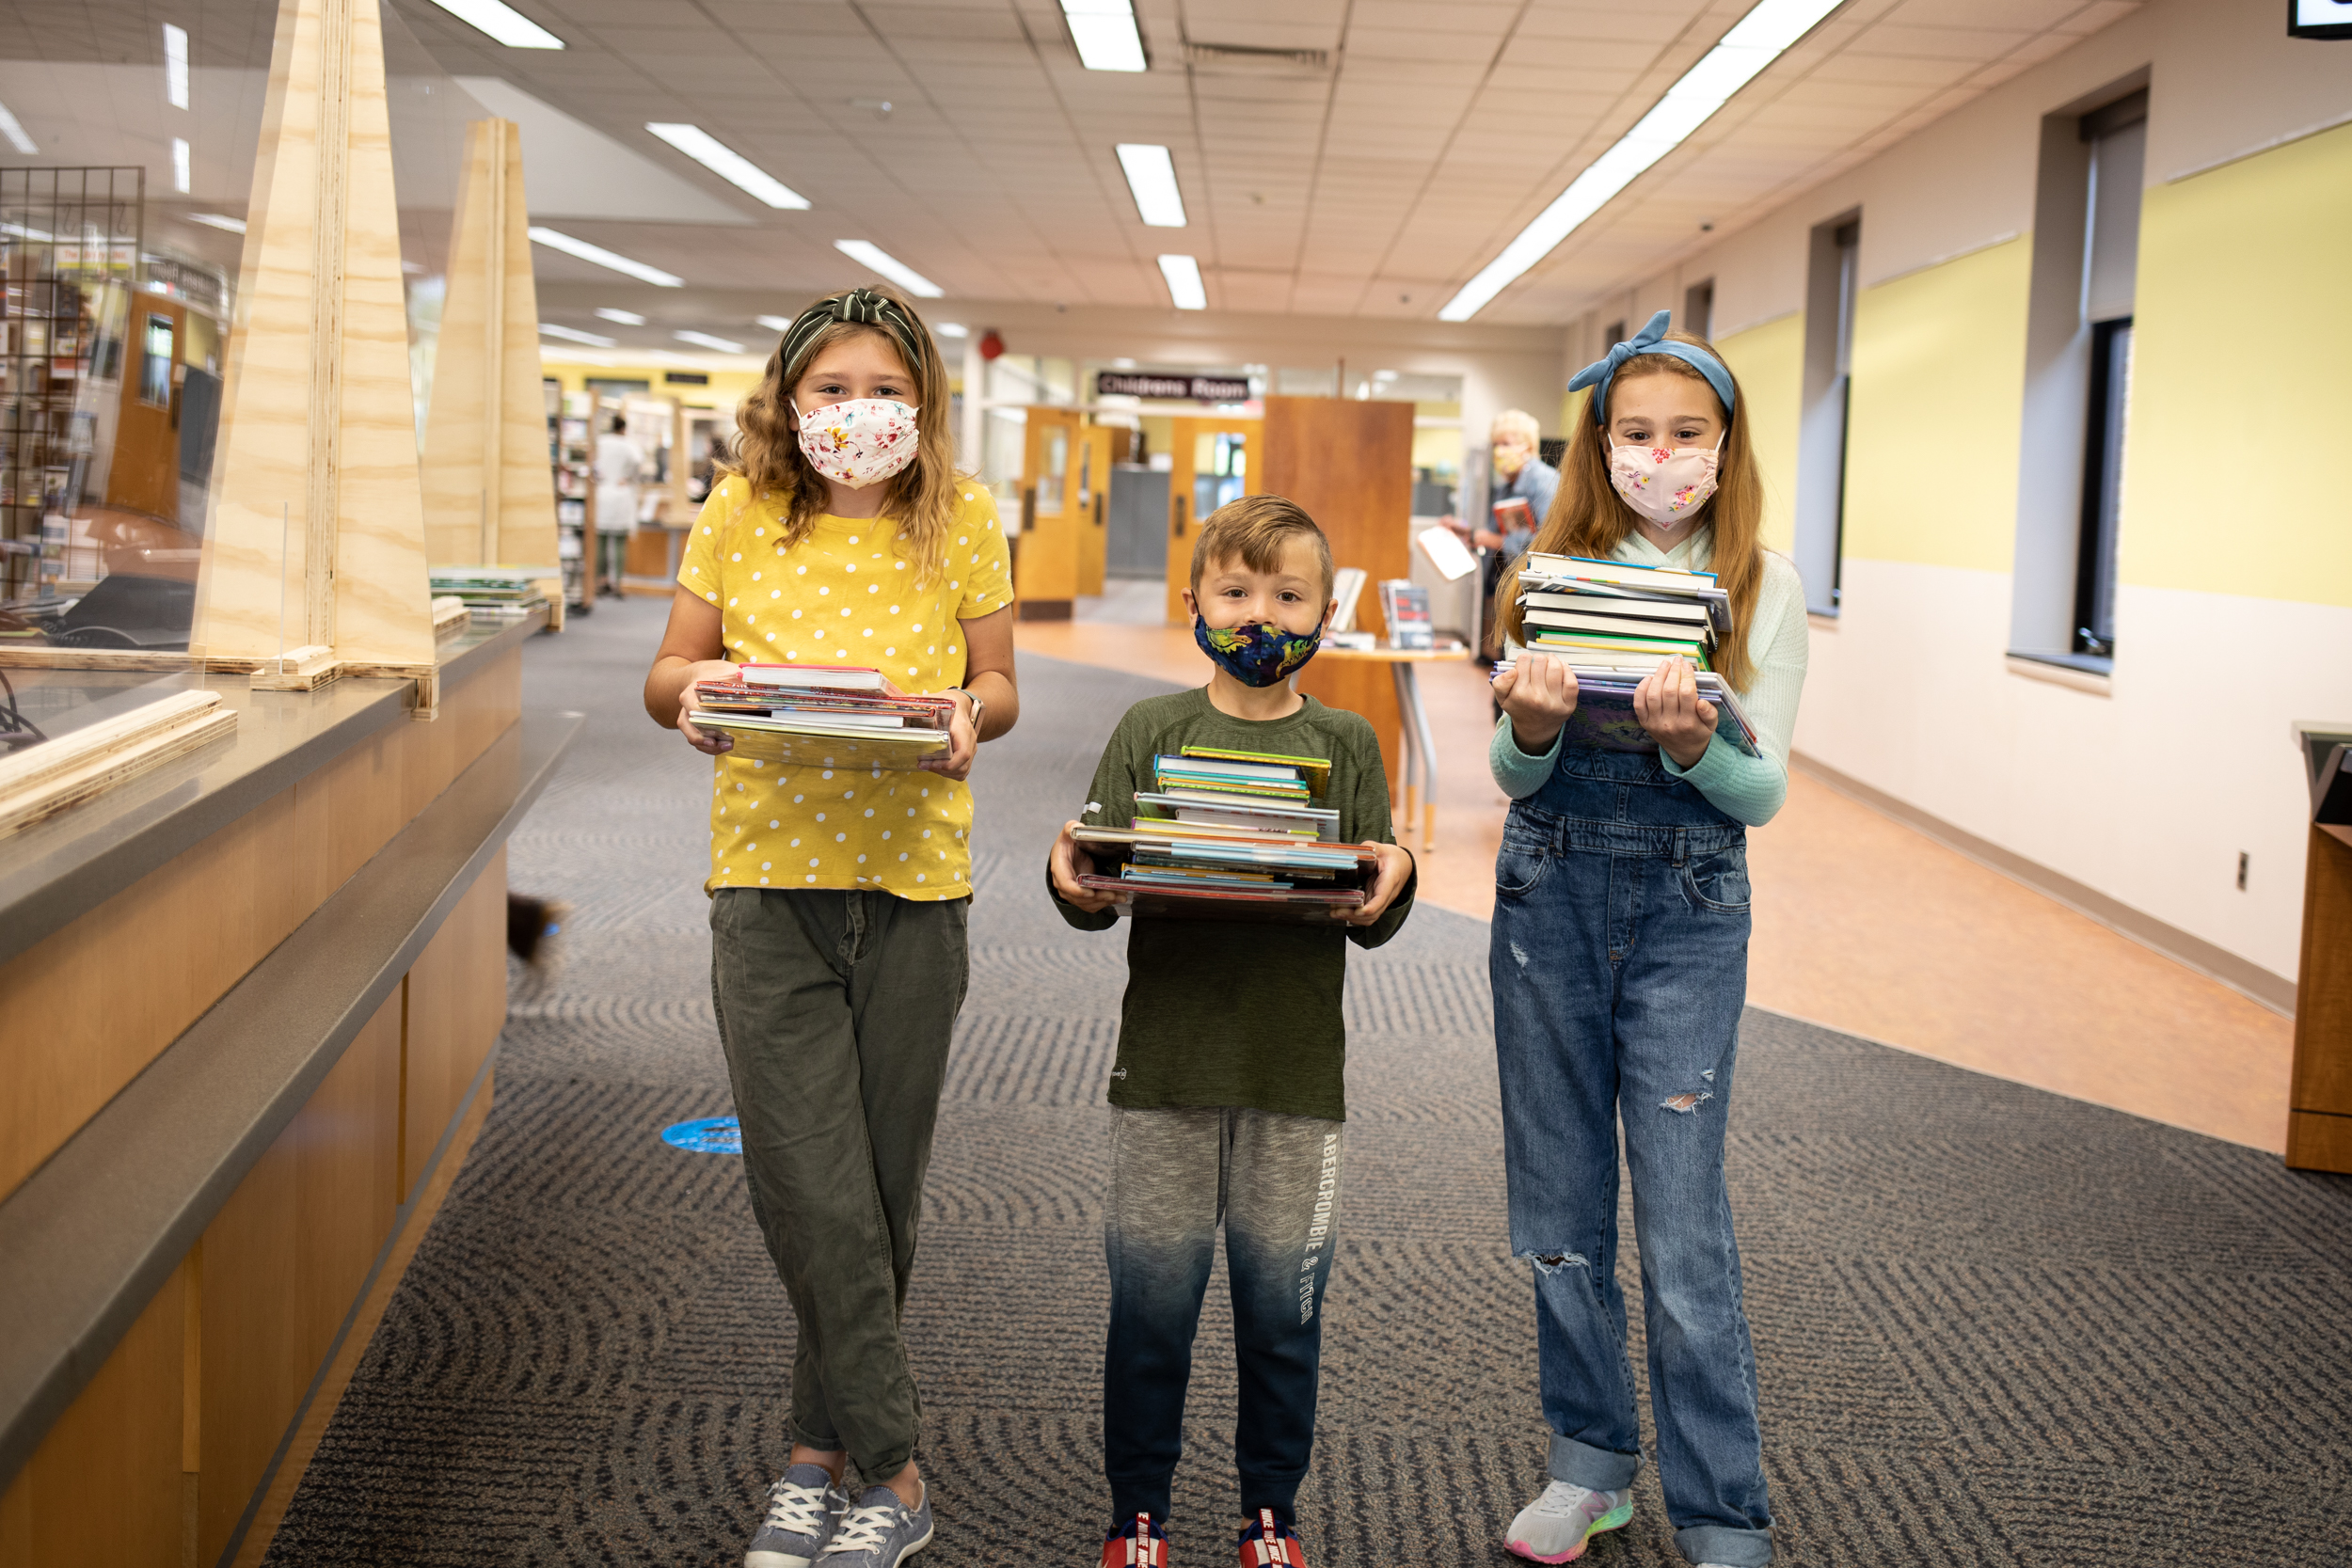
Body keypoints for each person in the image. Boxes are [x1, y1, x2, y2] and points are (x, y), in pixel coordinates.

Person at [642, 285, 1020, 1568]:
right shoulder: (738, 512)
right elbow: (665, 671)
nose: (859, 414)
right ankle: (899, 1468)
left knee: (880, 1193)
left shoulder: (961, 515)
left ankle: (814, 1458)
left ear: (924, 401)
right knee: (807, 1180)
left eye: (885, 391)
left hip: (915, 882)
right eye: (832, 391)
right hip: (766, 881)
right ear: (788, 400)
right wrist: (697, 694)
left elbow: (1000, 677)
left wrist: (974, 713)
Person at [1484, 311, 1808, 1568]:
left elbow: (1762, 794)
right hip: (1549, 888)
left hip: (1689, 900)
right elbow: (1515, 772)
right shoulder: (1543, 572)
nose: (1660, 454)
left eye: (1688, 432)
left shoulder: (1763, 587)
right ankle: (1591, 1463)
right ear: (1599, 442)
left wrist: (1692, 742)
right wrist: (1537, 719)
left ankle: (1724, 1502)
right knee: (1557, 1199)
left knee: (1681, 1220)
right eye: (1636, 432)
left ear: (1724, 447)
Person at [1046, 496, 1418, 1568]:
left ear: (1326, 611)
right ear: (1194, 603)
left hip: (1293, 1072)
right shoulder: (1150, 730)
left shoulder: (1346, 741)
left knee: (1281, 1311)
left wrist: (1391, 876)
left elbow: (1372, 907)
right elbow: (1090, 885)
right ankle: (1138, 1514)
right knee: (1150, 1306)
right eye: (1237, 592)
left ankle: (1270, 1512)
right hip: (1162, 1062)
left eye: (1289, 596)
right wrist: (1062, 863)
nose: (1261, 615)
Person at [1448, 409, 1559, 662]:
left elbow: (1550, 541)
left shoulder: (1544, 482)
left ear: (1527, 446)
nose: (1499, 452)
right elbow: (1493, 533)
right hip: (1506, 586)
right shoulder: (1505, 487)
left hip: (1532, 591)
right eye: (1496, 445)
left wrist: (1496, 541)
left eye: (1506, 444)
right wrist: (1470, 533)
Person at [596, 413, 644, 597]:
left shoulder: (601, 442)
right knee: (619, 542)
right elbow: (637, 461)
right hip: (620, 493)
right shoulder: (628, 445)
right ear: (624, 428)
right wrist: (628, 476)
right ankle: (617, 582)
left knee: (600, 541)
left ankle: (601, 581)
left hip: (602, 492)